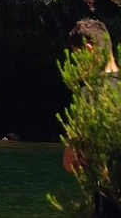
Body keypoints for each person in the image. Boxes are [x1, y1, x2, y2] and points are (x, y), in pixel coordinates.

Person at [63, 19, 120, 217]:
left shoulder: (89, 95)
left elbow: (70, 162)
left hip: (109, 202)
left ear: (88, 50)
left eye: (77, 59)